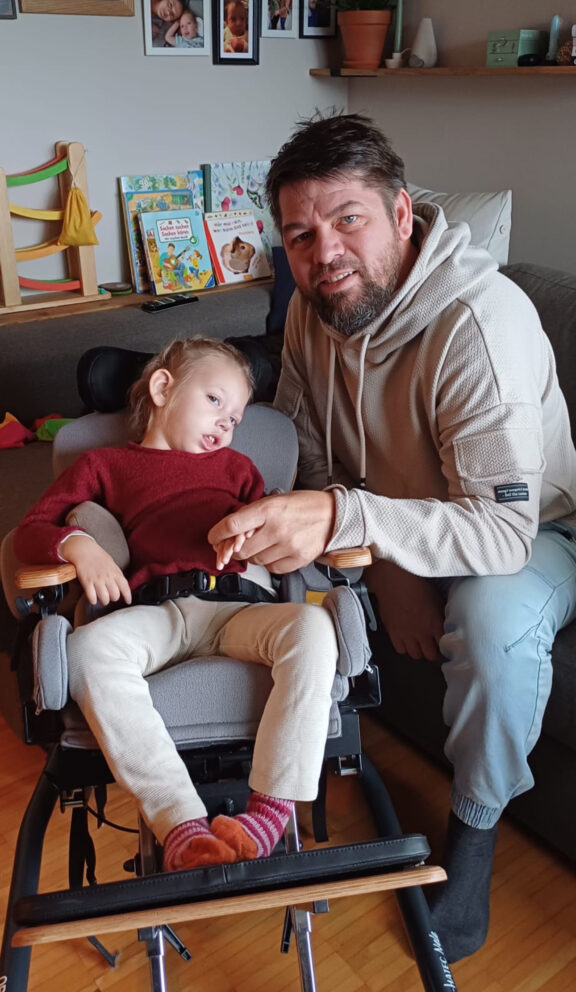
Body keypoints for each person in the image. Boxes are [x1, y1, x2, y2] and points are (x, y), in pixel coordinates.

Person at [208, 112, 576, 961]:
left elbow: (502, 533)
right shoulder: (312, 310)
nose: (325, 253)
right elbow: (303, 447)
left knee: (491, 628)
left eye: (349, 219)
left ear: (402, 215)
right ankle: (248, 783)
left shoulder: (478, 326)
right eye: (301, 235)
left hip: (536, 529)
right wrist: (383, 567)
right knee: (261, 560)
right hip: (395, 520)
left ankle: (474, 835)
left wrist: (353, 524)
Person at [14, 337, 338, 872]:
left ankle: (268, 815)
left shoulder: (238, 469)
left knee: (314, 627)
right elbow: (30, 532)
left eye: (235, 418)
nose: (226, 424)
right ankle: (182, 827)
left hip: (239, 608)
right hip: (158, 614)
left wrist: (260, 536)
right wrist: (77, 546)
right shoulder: (106, 464)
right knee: (87, 650)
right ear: (163, 388)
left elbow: (278, 537)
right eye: (215, 401)